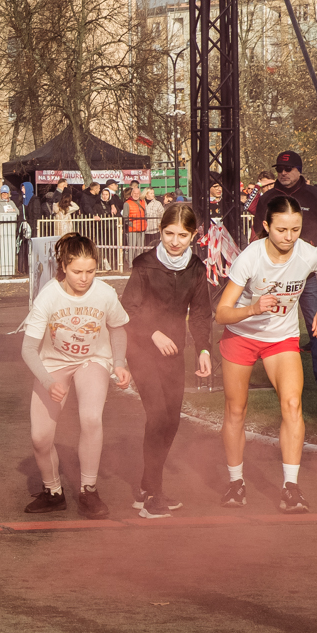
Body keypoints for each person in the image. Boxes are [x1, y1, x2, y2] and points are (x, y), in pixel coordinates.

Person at [215, 194, 317, 513]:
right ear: (266, 226)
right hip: (241, 336)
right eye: (282, 230)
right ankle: (235, 482)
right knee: (236, 410)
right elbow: (222, 313)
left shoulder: (307, 253)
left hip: (281, 339)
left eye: (295, 229)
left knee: (293, 404)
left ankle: (291, 488)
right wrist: (253, 308)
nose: (289, 237)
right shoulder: (250, 258)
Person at [20, 232, 130, 518]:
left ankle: (88, 490)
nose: (84, 278)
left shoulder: (104, 293)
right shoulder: (48, 297)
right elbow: (28, 349)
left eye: (90, 271)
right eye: (77, 272)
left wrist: (119, 362)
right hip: (53, 364)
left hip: (91, 360)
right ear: (63, 267)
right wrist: (48, 381)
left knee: (91, 418)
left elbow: (118, 328)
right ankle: (53, 491)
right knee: (40, 438)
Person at [119, 203, 214, 518]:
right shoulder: (145, 265)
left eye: (182, 235)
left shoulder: (196, 268)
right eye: (169, 233)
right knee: (158, 416)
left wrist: (203, 349)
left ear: (194, 236)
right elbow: (128, 308)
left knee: (172, 420)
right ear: (160, 231)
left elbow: (200, 313)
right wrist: (153, 333)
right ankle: (153, 495)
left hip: (173, 351)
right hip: (141, 348)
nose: (175, 241)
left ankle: (147, 485)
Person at [247, 150, 317, 392]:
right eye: (279, 169)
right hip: (275, 275)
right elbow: (258, 230)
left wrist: (313, 246)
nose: (283, 173)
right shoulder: (268, 197)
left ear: (299, 170)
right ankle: (271, 372)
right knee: (270, 321)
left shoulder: (316, 196)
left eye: (288, 169)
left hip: (307, 274)